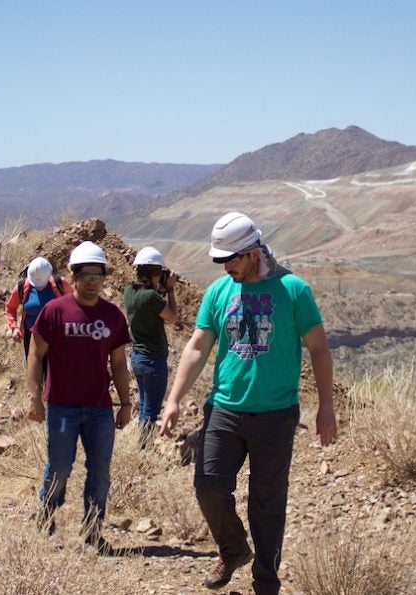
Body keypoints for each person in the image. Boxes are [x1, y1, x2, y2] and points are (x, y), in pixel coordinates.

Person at [160, 212, 337, 595]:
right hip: (225, 408)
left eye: (233, 259)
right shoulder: (219, 292)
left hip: (275, 415)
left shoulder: (293, 290)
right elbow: (197, 347)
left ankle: (266, 583)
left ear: (254, 252)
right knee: (208, 484)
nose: (227, 267)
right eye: (221, 260)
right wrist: (173, 400)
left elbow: (320, 350)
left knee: (267, 503)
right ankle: (234, 550)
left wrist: (326, 407)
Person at [27, 241, 133, 554]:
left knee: (100, 472)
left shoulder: (112, 315)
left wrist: (125, 404)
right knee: (60, 468)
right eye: (85, 274)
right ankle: (46, 513)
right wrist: (34, 397)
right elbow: (35, 354)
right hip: (62, 407)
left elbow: (118, 363)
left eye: (97, 274)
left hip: (100, 408)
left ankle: (92, 531)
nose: (91, 280)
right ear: (73, 277)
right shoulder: (54, 311)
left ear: (104, 278)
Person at [123, 247, 179, 441]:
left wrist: (160, 287)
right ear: (157, 273)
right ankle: (144, 448)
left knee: (145, 404)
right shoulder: (151, 297)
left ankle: (141, 444)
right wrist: (170, 289)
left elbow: (148, 302)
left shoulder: (129, 291)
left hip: (137, 357)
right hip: (153, 360)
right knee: (151, 410)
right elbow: (173, 317)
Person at [4, 257, 66, 361]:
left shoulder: (60, 284)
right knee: (34, 371)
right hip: (31, 337)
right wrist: (14, 328)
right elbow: (10, 307)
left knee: (54, 373)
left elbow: (74, 304)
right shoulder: (22, 286)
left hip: (56, 337)